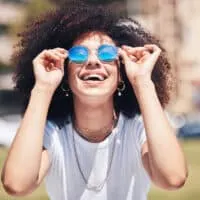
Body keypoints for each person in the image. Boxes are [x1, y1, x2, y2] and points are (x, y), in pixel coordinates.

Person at [1, 1, 188, 200]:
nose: (92, 61)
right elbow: (16, 185)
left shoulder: (137, 128)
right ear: (65, 72)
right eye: (79, 54)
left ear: (121, 73)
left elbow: (173, 178)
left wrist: (142, 82)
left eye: (106, 54)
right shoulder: (53, 133)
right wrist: (43, 88)